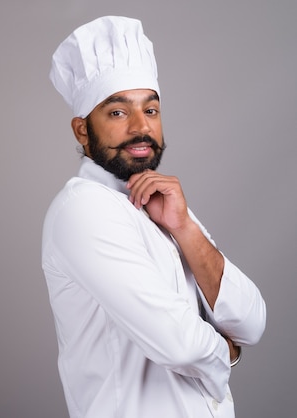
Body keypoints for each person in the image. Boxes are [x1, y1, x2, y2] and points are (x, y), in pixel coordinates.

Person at [42, 16, 266, 418]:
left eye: (151, 108)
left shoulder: (161, 203)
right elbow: (178, 343)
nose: (141, 126)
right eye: (117, 112)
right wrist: (227, 352)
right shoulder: (84, 210)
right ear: (81, 129)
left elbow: (251, 320)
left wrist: (184, 227)